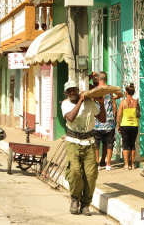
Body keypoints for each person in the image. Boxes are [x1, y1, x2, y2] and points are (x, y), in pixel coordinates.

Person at [61, 80, 106, 216]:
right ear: (66, 93)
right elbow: (70, 118)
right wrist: (80, 101)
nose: (72, 92)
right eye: (69, 91)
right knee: (75, 171)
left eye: (74, 89)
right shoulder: (65, 104)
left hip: (89, 142)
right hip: (72, 141)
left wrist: (101, 103)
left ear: (78, 90)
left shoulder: (90, 103)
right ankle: (75, 199)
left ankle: (86, 204)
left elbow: (102, 119)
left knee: (91, 175)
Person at [93, 72, 123, 171]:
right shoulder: (110, 90)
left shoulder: (95, 90)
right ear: (106, 79)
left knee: (96, 144)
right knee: (109, 143)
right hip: (109, 122)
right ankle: (108, 164)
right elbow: (120, 94)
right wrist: (114, 97)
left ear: (99, 79)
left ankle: (97, 164)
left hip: (97, 122)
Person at [117, 83, 140, 170]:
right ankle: (132, 164)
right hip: (134, 125)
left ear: (126, 92)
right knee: (132, 145)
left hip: (125, 125)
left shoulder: (123, 102)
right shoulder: (136, 102)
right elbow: (138, 115)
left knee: (125, 145)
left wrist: (118, 125)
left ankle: (126, 165)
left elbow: (119, 115)